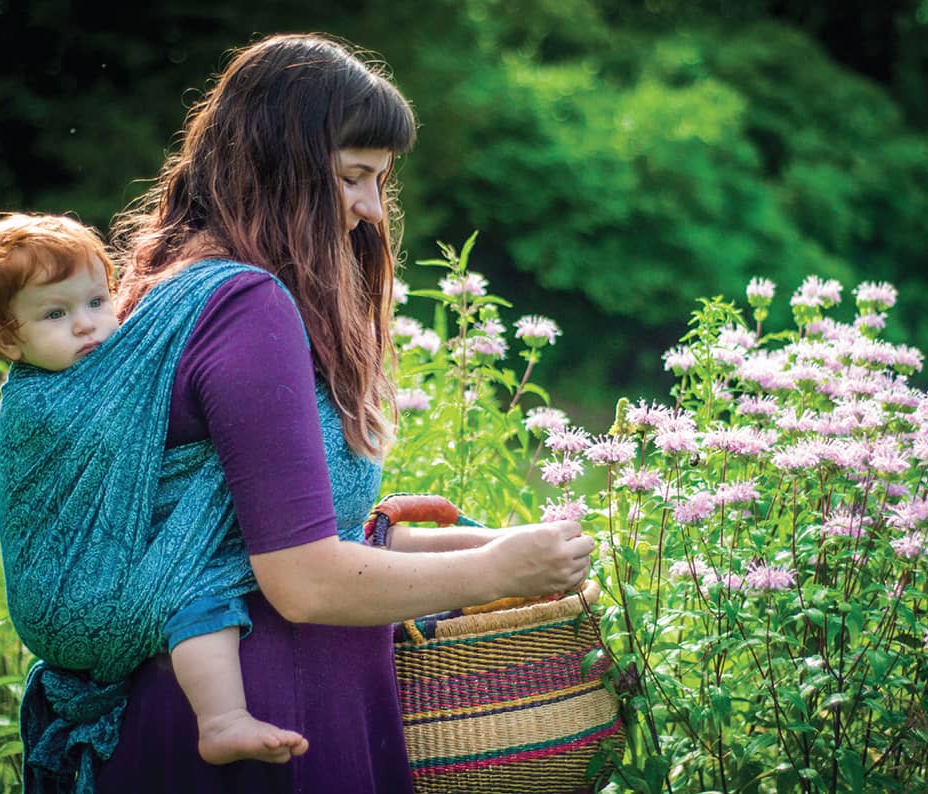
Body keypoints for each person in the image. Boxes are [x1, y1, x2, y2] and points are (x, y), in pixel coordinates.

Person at [94, 32, 594, 792]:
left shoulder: (162, 282)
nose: (368, 209)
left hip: (222, 705)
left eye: (379, 180)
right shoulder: (244, 307)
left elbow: (260, 541)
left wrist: (499, 546)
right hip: (275, 719)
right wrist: (493, 572)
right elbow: (303, 581)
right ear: (278, 164)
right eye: (354, 176)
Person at [0, 213, 310, 775]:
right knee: (199, 600)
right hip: (72, 591)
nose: (86, 326)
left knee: (194, 594)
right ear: (4, 338)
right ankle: (220, 721)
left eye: (96, 302)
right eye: (55, 313)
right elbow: (118, 461)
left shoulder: (106, 367)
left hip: (111, 573)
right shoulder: (35, 404)